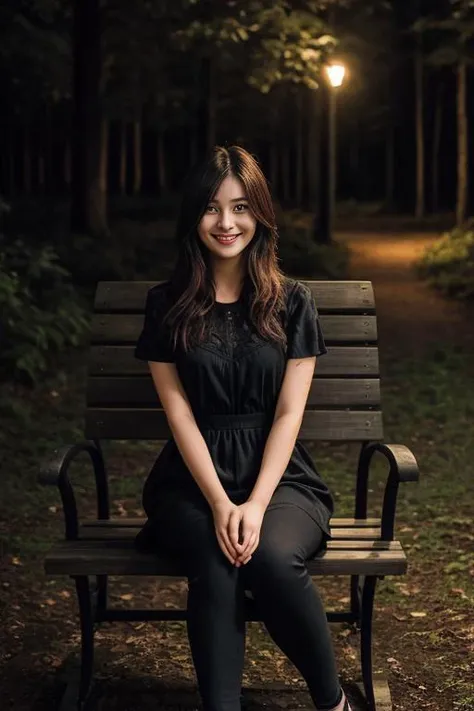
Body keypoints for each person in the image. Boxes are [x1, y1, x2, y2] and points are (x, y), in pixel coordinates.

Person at [134, 145, 352, 711]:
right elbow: (178, 412)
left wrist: (253, 505)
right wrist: (217, 501)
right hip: (190, 479)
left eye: (239, 208)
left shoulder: (292, 302)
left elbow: (288, 413)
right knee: (215, 554)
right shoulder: (167, 305)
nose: (226, 224)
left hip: (280, 480)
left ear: (259, 213)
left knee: (271, 557)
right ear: (194, 217)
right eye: (211, 208)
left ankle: (332, 703)